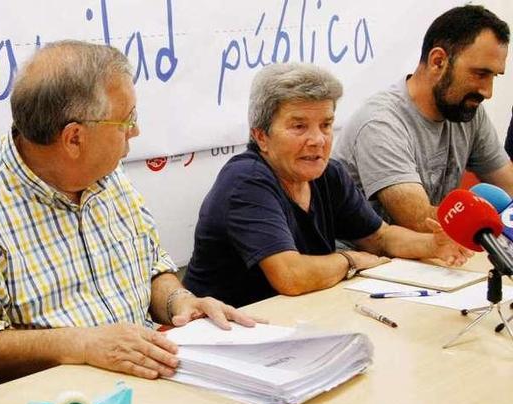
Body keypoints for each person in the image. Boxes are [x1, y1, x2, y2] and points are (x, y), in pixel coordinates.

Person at [0, 40, 257, 385]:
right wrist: (81, 343)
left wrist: (179, 301)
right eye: (127, 120)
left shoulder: (107, 176)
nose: (136, 131)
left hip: (145, 379)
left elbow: (152, 267)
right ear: (74, 139)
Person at [184, 64, 469, 308]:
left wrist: (433, 244)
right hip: (222, 338)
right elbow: (291, 276)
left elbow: (380, 238)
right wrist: (350, 260)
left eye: (326, 125)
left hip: (294, 320)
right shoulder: (246, 180)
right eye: (299, 127)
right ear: (261, 137)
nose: (318, 140)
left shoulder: (327, 173)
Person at [333, 5, 512, 232]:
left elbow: (509, 187)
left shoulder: (466, 111)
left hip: (429, 259)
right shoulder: (380, 123)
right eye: (480, 74)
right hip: (368, 263)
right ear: (438, 61)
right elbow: (420, 222)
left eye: (494, 76)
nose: (488, 91)